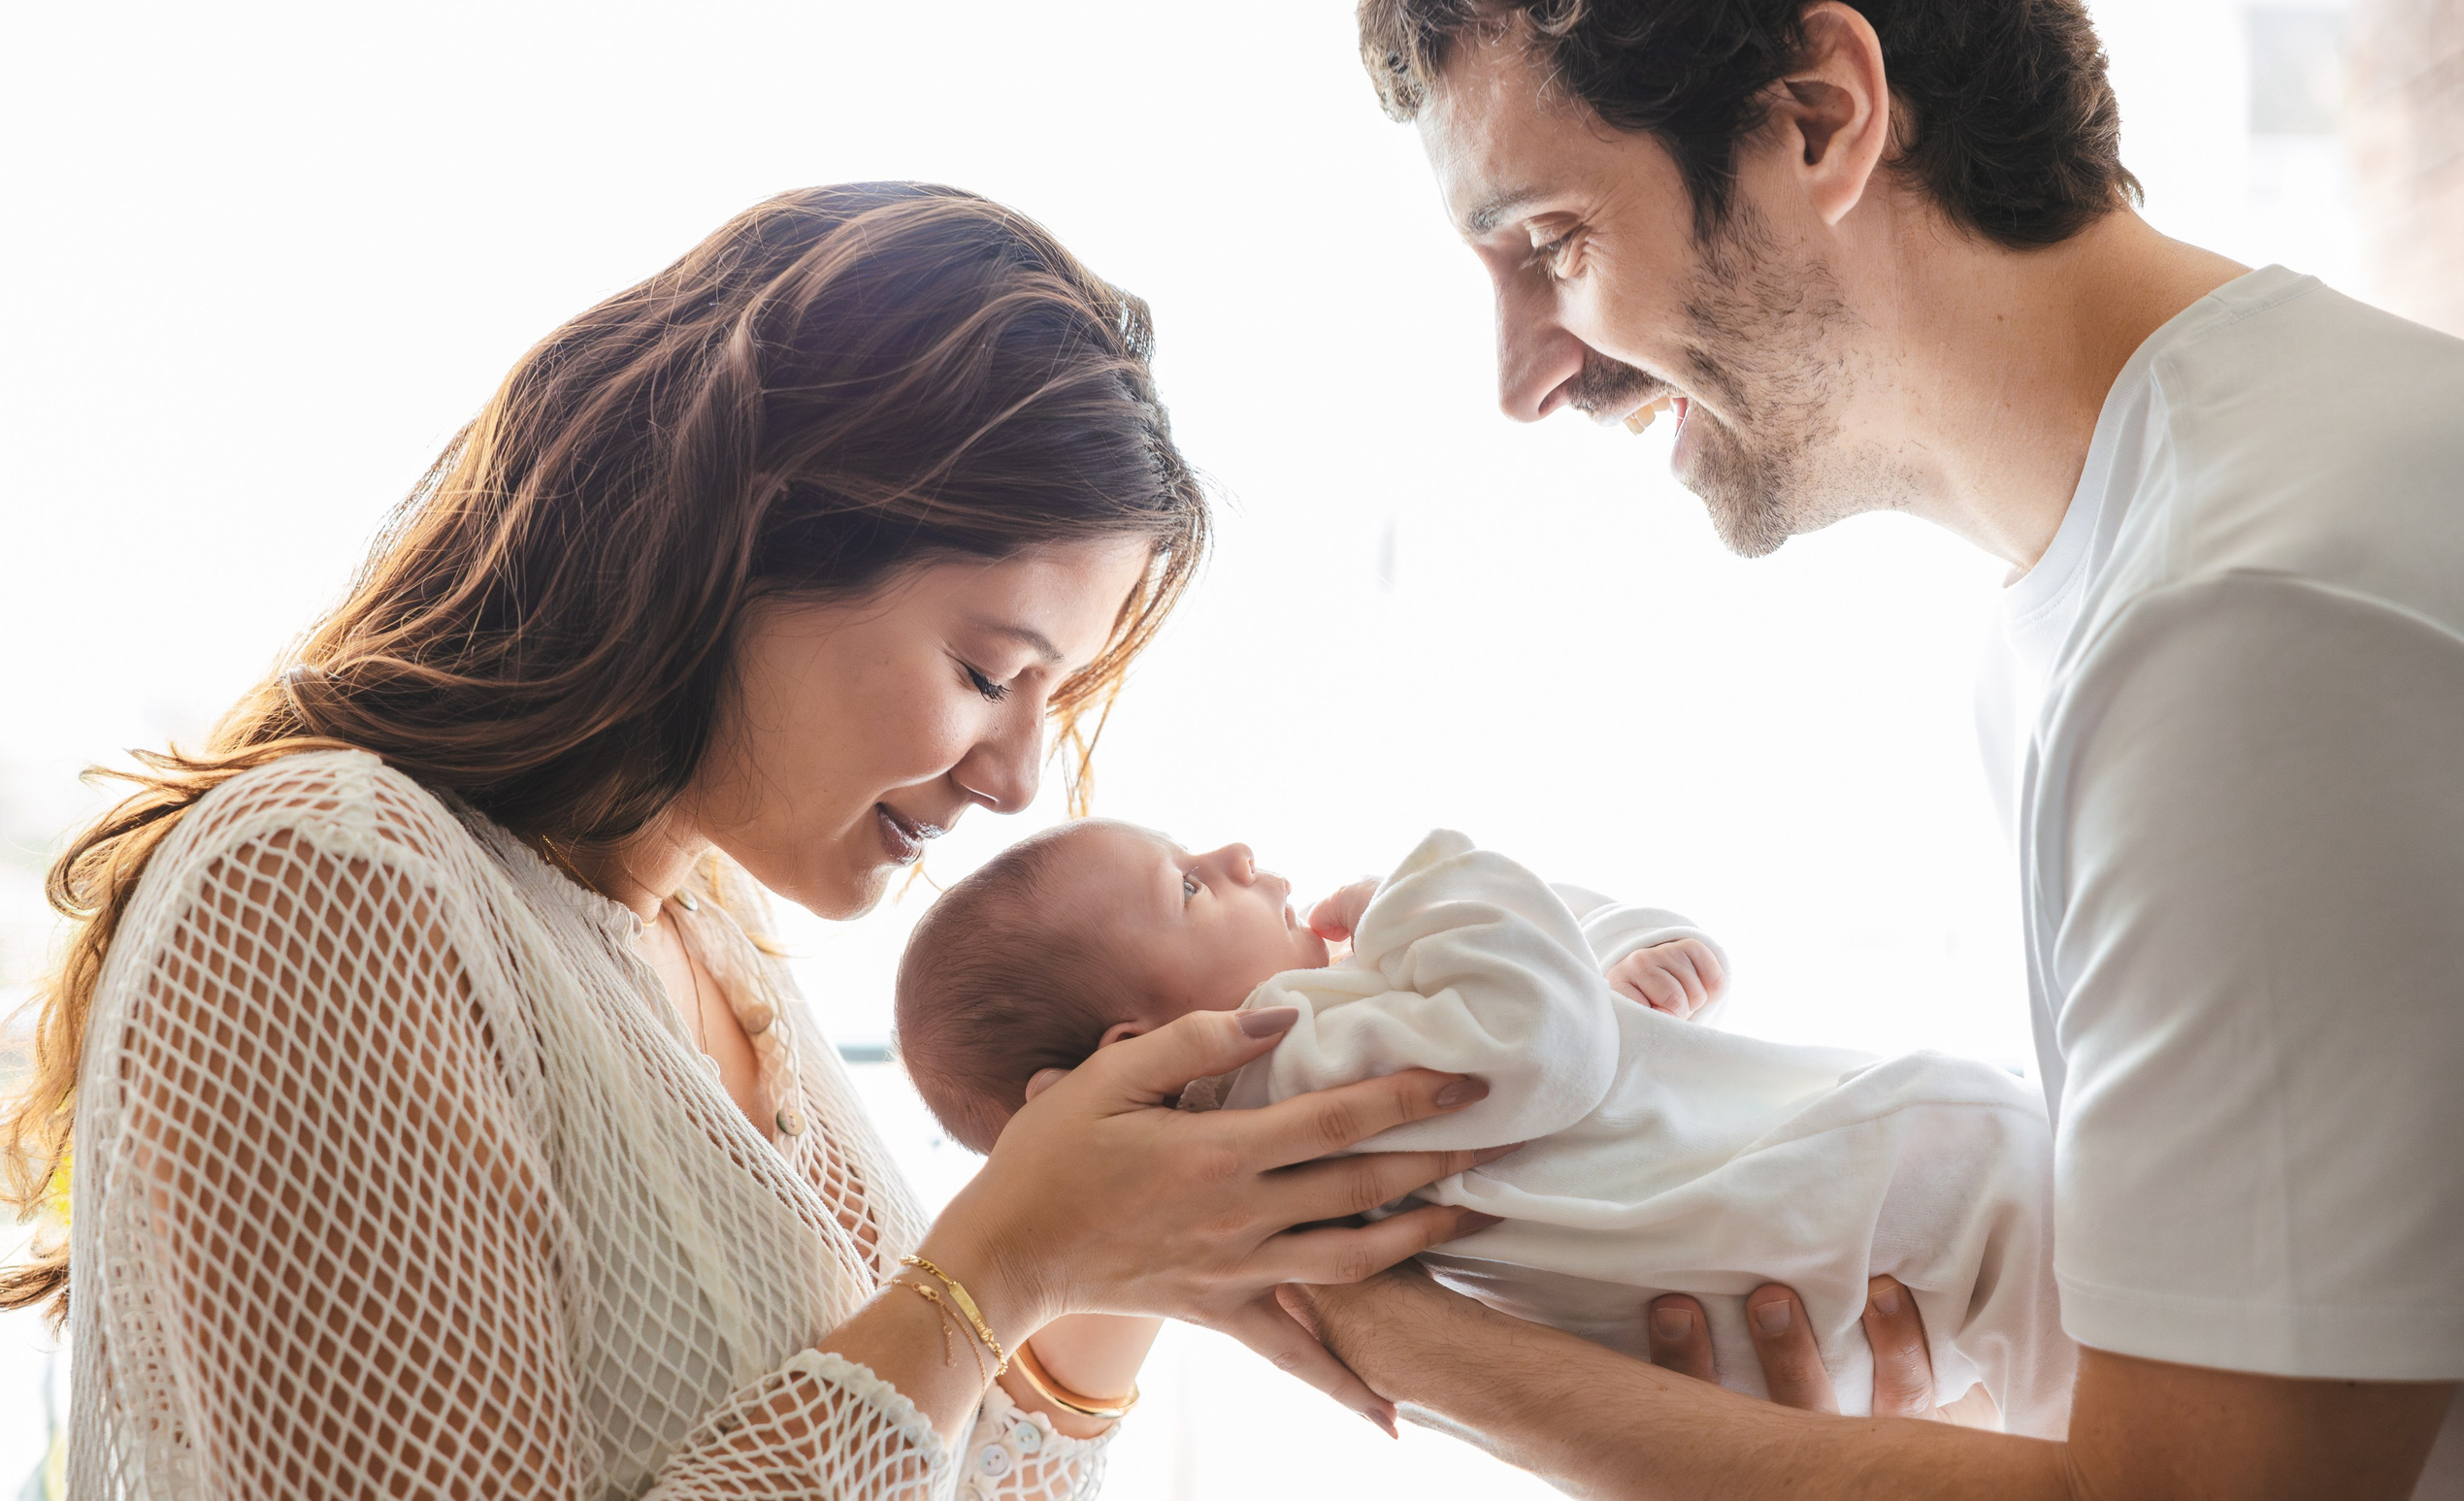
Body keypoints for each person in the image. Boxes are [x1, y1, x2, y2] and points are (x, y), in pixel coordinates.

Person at [1282, 0, 2464, 1497]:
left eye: (1551, 242)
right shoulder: (2163, 556)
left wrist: (1356, 1313)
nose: (1526, 376)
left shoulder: (2243, 627)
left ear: (1818, 119)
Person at [0, 183, 1507, 1499]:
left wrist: (1128, 1242)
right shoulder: (326, 876)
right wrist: (1002, 1265)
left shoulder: (709, 935)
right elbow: (932, 1346)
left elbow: (937, 1466)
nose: (1017, 779)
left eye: (1053, 698)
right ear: (751, 529)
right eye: (986, 670)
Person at [894, 819, 2071, 1431]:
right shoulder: (1281, 1065)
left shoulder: (1288, 1138)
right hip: (1853, 1208)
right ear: (1136, 1050)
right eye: (1189, 887)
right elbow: (1545, 1039)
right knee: (2012, 1173)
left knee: (2070, 1387)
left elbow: (1556, 1016)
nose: (1236, 854)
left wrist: (1625, 957)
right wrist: (1425, 885)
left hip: (1766, 1296)